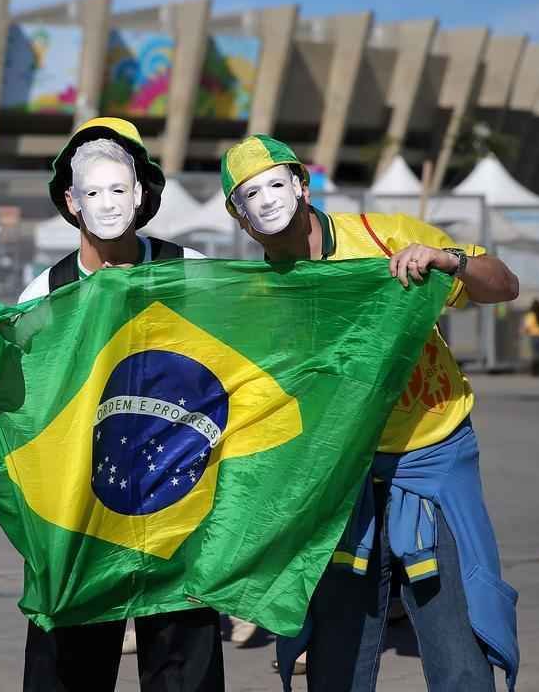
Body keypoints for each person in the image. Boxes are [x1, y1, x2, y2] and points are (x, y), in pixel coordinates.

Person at [220, 134, 521, 692]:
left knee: (458, 649)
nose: (265, 201)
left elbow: (505, 285)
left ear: (303, 186)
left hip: (432, 457)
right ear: (239, 218)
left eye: (275, 184)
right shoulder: (260, 297)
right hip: (337, 477)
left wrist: (449, 261)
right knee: (336, 659)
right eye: (248, 195)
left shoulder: (386, 236)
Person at [19, 117, 223, 691]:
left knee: (184, 675)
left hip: (180, 510)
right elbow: (22, 406)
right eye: (92, 190)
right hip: (81, 516)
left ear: (140, 193)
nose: (107, 202)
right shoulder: (44, 294)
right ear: (71, 201)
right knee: (69, 672)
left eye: (119, 187)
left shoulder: (194, 273)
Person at [521, 299, 539, 376]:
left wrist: (523, 331)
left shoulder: (530, 315)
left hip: (534, 336)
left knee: (535, 354)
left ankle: (536, 371)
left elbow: (527, 327)